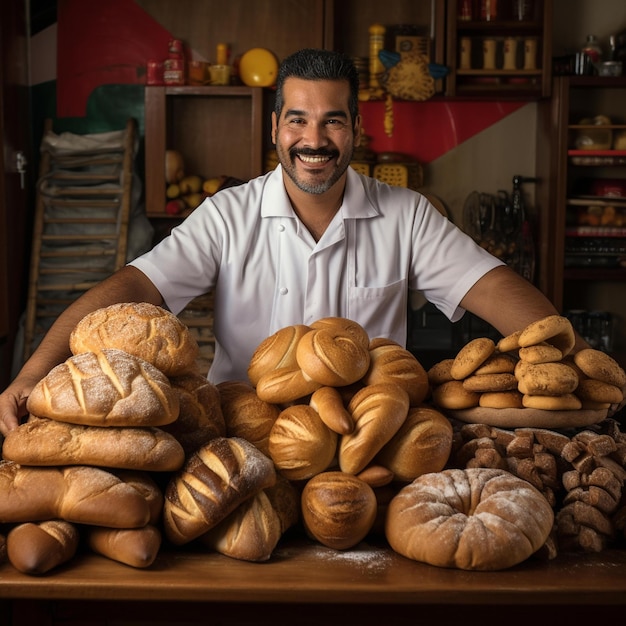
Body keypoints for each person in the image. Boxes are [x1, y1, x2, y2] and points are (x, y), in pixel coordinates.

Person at [0, 48, 581, 436]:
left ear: (355, 129)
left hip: (363, 444)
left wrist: (571, 369)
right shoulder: (227, 215)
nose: (315, 138)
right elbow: (131, 287)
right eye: (298, 119)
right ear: (275, 127)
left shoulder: (406, 214)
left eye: (333, 120)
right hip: (238, 440)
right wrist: (34, 372)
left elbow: (499, 289)